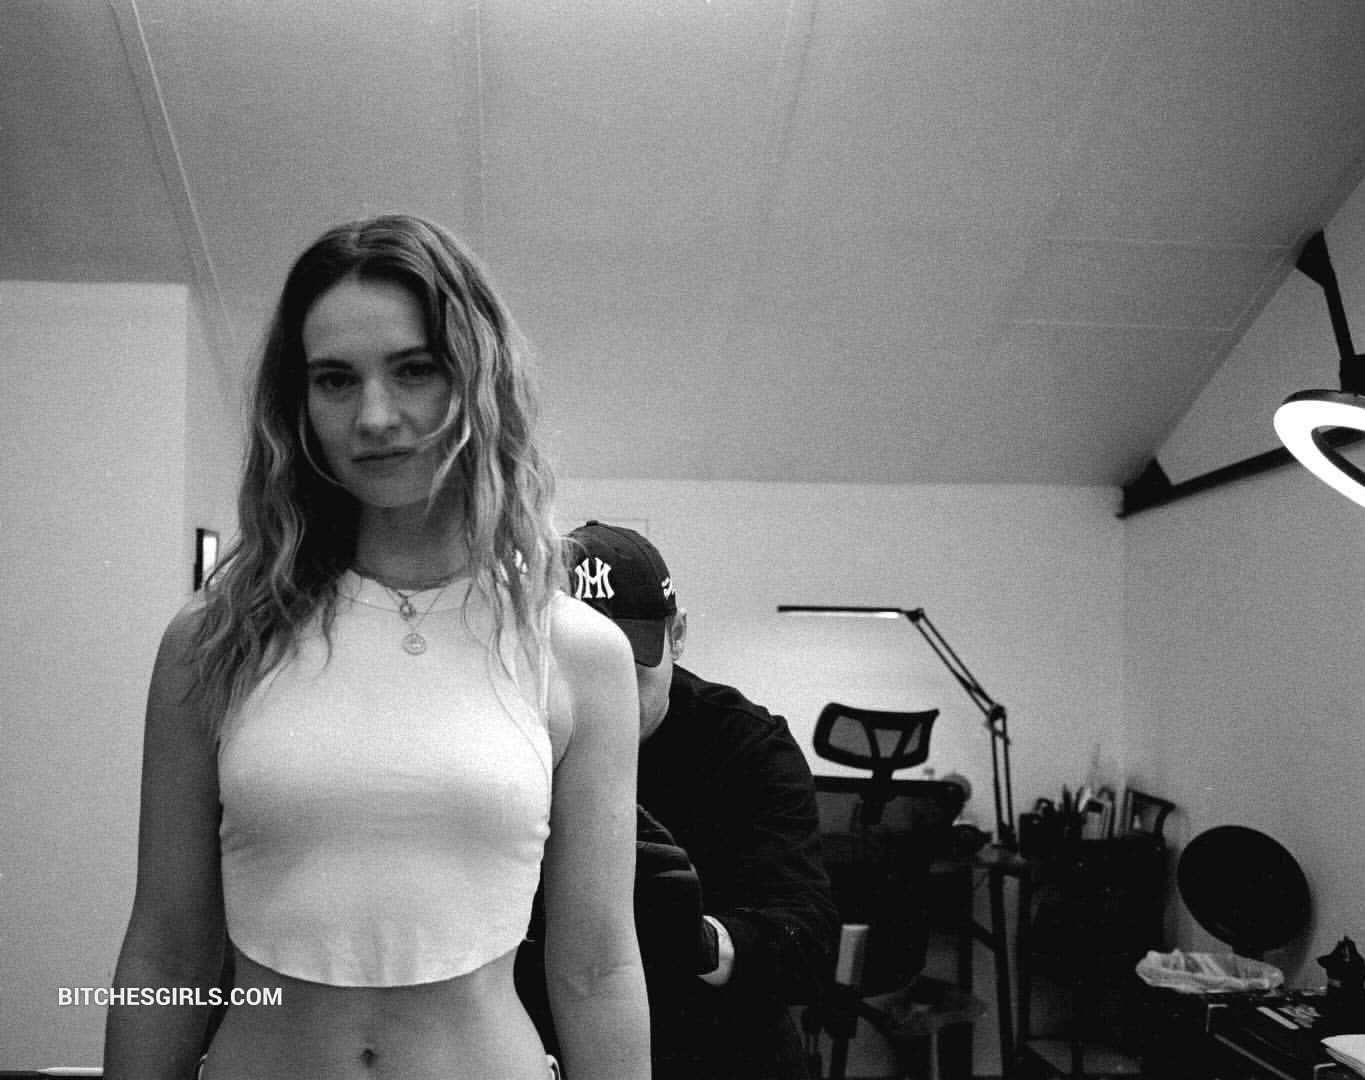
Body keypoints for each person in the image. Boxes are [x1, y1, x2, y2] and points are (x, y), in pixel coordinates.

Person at [103, 215, 650, 1080]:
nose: (375, 416)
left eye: (414, 369)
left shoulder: (579, 654)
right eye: (335, 380)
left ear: (477, 379)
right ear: (298, 404)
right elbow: (168, 953)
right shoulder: (213, 639)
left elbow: (597, 969)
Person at [556, 521, 838, 1079]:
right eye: (576, 672)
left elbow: (808, 942)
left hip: (717, 1047)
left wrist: (703, 941)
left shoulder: (747, 746)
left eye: (629, 670)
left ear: (677, 635)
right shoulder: (507, 748)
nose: (605, 699)